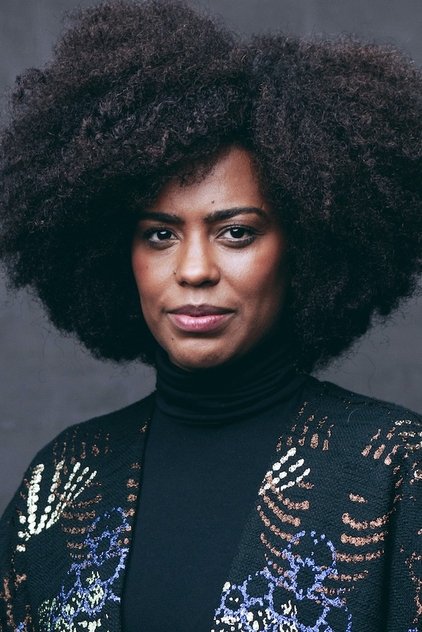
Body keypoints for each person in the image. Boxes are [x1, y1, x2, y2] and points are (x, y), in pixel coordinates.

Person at [0, 0, 421, 630]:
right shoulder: (64, 476)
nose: (194, 270)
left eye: (236, 233)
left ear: (307, 245)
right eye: (160, 235)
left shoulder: (394, 467)